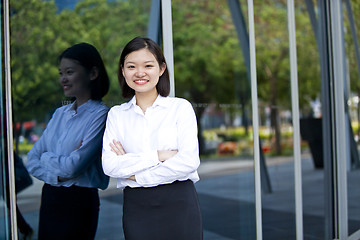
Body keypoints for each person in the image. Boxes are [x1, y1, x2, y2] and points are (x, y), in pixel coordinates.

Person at [102, 37, 203, 240]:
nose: (140, 73)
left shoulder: (180, 108)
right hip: (137, 207)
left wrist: (136, 175)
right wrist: (160, 155)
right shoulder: (117, 114)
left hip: (179, 203)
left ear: (161, 68)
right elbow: (110, 166)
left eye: (148, 65)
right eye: (131, 66)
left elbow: (189, 162)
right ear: (123, 70)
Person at [26, 43, 110, 240]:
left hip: (79, 203)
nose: (63, 79)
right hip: (50, 198)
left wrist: (46, 157)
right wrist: (58, 174)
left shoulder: (101, 115)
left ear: (93, 73)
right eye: (61, 73)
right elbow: (31, 160)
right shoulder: (59, 114)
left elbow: (73, 167)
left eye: (69, 72)